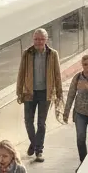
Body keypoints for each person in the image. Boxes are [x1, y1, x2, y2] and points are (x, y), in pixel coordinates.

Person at [16, 29, 62, 163]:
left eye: (41, 39)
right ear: (33, 40)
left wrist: (58, 92)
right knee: (28, 121)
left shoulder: (53, 54)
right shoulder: (27, 54)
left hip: (45, 93)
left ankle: (38, 150)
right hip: (29, 92)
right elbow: (21, 73)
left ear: (46, 40)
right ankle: (35, 143)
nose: (39, 42)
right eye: (36, 39)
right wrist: (19, 91)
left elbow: (57, 74)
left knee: (41, 123)